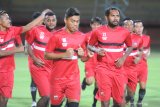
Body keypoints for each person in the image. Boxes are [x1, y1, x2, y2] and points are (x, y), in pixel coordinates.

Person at [0, 9, 51, 107]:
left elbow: (28, 27)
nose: (9, 20)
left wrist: (43, 15)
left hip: (8, 71)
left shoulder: (12, 30)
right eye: (6, 19)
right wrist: (17, 50)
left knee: (4, 99)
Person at [88, 7, 133, 107]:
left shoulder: (124, 32)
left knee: (120, 102)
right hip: (103, 69)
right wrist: (96, 50)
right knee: (105, 102)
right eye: (113, 16)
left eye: (117, 16)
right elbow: (89, 45)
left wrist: (123, 58)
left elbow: (130, 46)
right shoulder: (98, 31)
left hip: (118, 70)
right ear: (106, 17)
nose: (116, 18)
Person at [45, 7, 85, 107]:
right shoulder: (56, 36)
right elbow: (46, 55)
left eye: (77, 21)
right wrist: (64, 55)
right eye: (72, 21)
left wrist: (83, 55)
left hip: (73, 79)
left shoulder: (82, 36)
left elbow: (84, 58)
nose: (75, 24)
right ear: (65, 20)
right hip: (57, 79)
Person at [26, 11, 57, 107]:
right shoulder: (36, 30)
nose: (51, 22)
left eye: (53, 20)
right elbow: (28, 46)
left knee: (52, 97)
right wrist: (34, 59)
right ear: (44, 21)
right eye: (48, 20)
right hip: (38, 67)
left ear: (56, 21)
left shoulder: (57, 34)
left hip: (51, 69)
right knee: (46, 96)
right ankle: (34, 102)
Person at [81, 16, 102, 107]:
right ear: (91, 25)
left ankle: (94, 103)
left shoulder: (104, 36)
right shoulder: (86, 36)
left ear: (101, 25)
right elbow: (82, 47)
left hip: (100, 63)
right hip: (90, 62)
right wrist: (84, 53)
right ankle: (85, 81)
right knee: (90, 82)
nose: (96, 27)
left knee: (97, 86)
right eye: (94, 25)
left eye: (98, 25)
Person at [123, 20, 144, 107]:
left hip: (132, 69)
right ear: (123, 26)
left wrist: (139, 58)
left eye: (130, 25)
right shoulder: (119, 37)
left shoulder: (138, 38)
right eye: (126, 25)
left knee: (131, 94)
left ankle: (123, 103)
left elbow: (141, 50)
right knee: (121, 91)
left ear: (133, 27)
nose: (128, 26)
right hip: (121, 68)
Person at [133, 20, 150, 107]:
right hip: (133, 66)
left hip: (143, 66)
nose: (139, 28)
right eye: (137, 26)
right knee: (132, 87)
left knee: (143, 86)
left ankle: (139, 102)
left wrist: (147, 54)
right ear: (133, 28)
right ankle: (131, 103)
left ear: (143, 28)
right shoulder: (130, 37)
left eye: (141, 26)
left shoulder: (147, 38)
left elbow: (148, 50)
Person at [26, 11, 42, 107]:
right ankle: (34, 102)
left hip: (45, 59)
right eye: (39, 20)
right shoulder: (31, 30)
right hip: (33, 58)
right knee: (34, 80)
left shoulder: (46, 30)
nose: (41, 22)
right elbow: (27, 44)